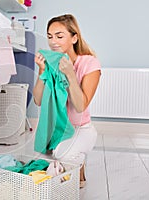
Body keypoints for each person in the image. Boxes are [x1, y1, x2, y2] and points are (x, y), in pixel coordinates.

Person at [33, 14, 101, 188]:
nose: (53, 42)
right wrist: (42, 71)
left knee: (60, 156)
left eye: (59, 36)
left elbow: (80, 106)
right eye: (49, 36)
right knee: (43, 161)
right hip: (58, 128)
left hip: (82, 129)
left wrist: (70, 73)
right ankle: (73, 160)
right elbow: (37, 100)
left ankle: (79, 160)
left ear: (74, 38)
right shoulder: (51, 63)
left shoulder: (90, 63)